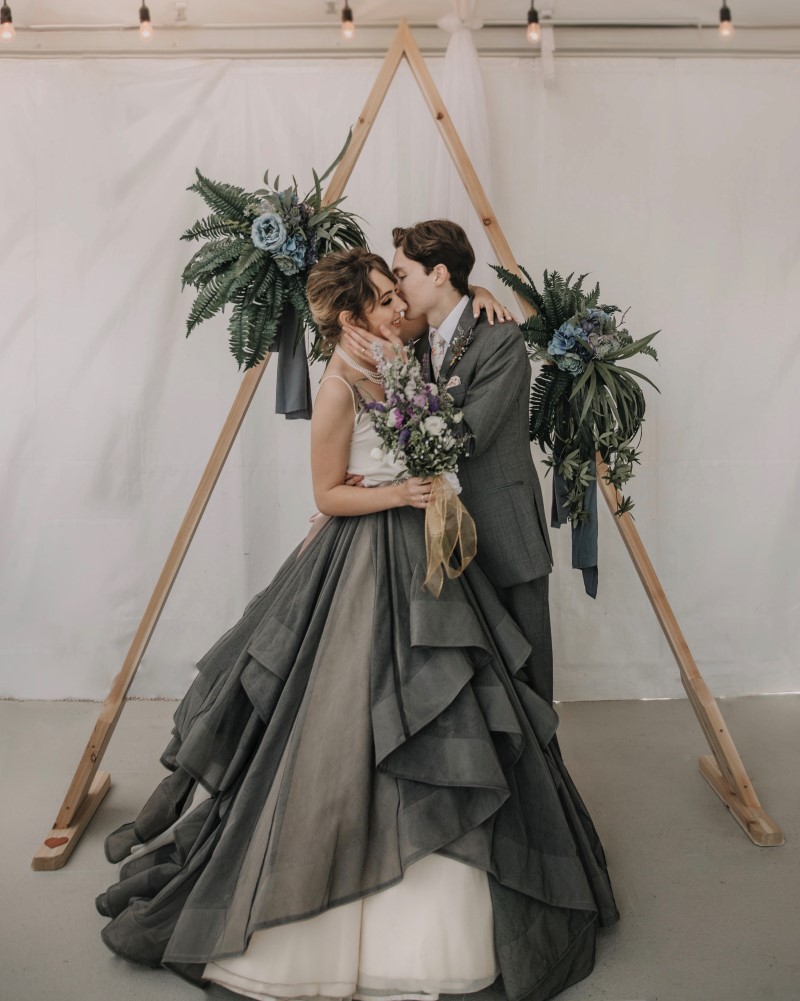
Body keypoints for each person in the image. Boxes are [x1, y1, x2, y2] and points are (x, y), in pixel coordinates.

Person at [96, 247, 618, 1001]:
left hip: (426, 555)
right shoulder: (338, 384)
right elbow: (329, 491)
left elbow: (449, 339)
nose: (395, 307)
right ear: (349, 316)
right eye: (381, 298)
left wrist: (478, 294)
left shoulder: (402, 365)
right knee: (348, 711)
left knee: (451, 693)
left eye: (393, 292)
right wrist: (396, 493)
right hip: (367, 553)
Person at [342, 220, 554, 706]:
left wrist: (378, 476)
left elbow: (466, 436)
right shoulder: (418, 339)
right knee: (480, 688)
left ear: (438, 274)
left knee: (527, 676)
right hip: (442, 536)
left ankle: (546, 782)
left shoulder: (499, 340)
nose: (395, 291)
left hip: (503, 530)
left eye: (401, 275)